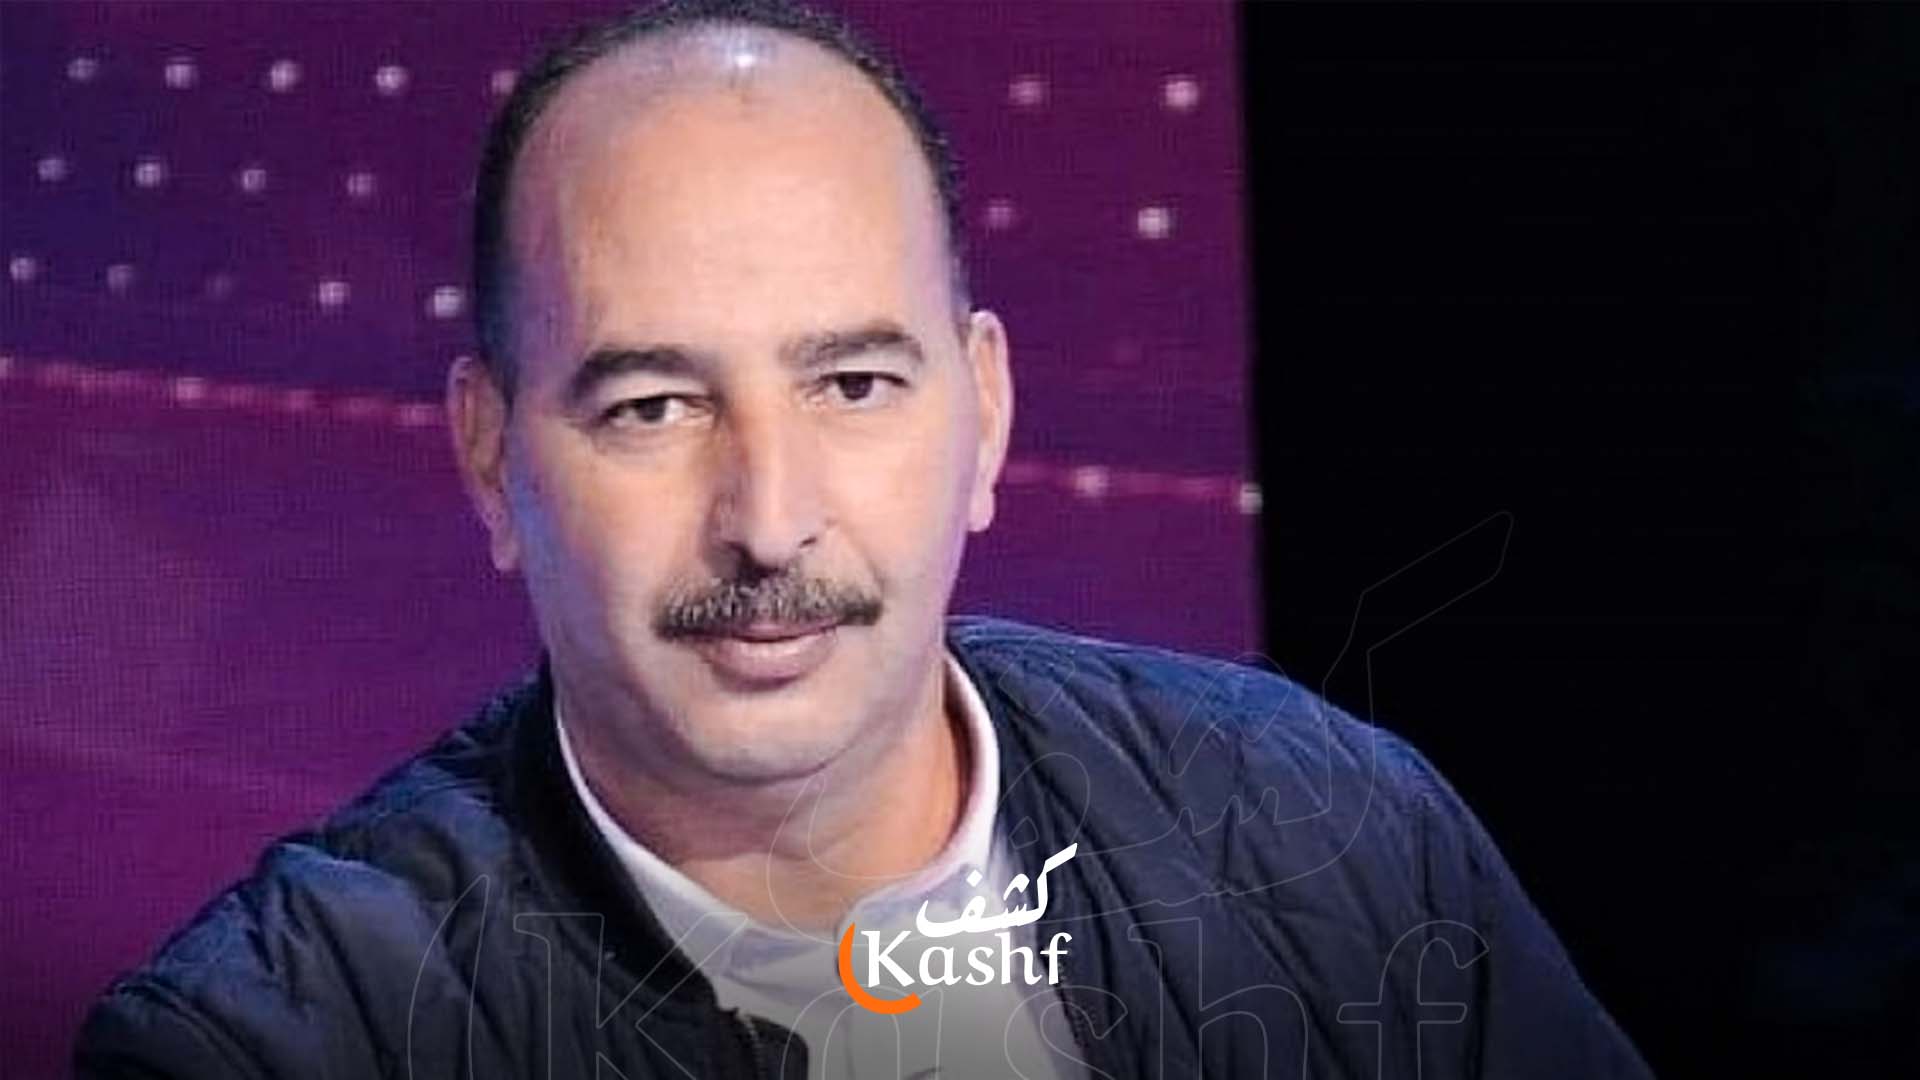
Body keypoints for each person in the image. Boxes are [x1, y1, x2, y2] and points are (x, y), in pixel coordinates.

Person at [75, 1, 1652, 1077]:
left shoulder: (1334, 829)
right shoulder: (277, 1041)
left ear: (986, 414)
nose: (770, 521)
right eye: (652, 406)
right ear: (492, 457)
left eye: (853, 385)